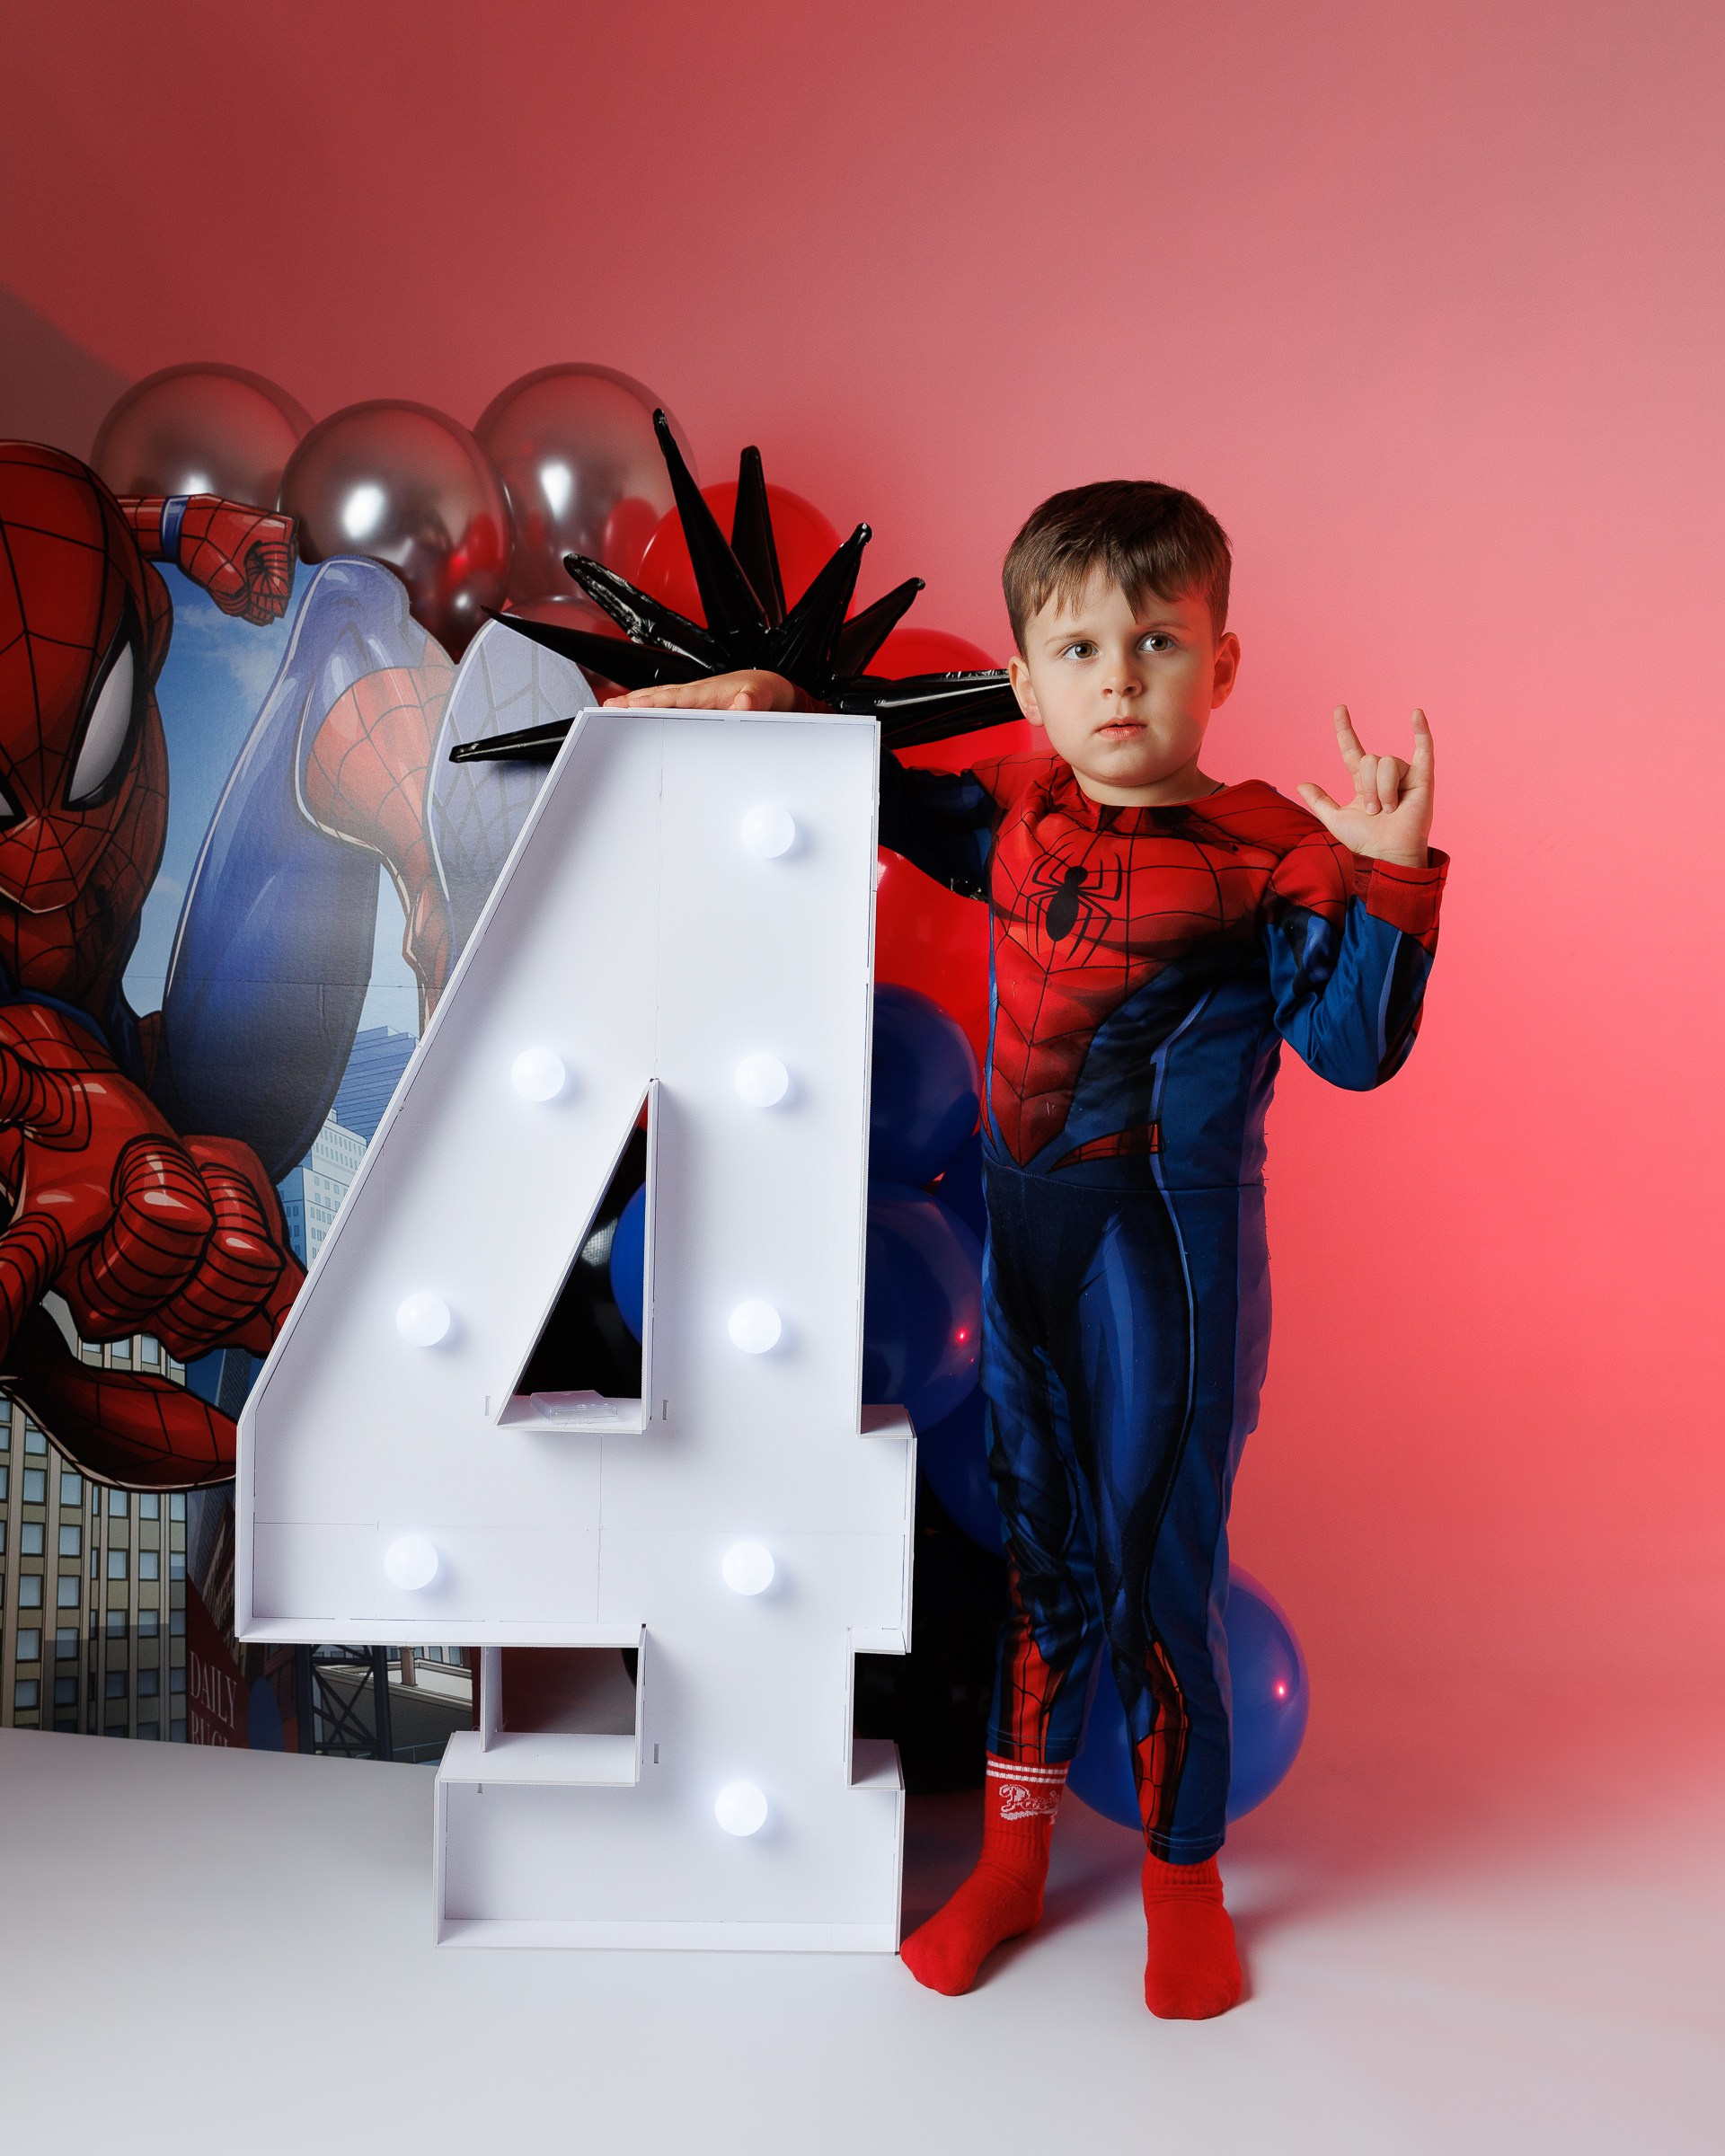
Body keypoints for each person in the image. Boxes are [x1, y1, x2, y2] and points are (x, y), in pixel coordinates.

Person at [606, 478, 1446, 2018]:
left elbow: (1354, 1050)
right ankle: (1009, 1867)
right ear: (1023, 681)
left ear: (1222, 664)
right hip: (1029, 1259)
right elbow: (855, 785)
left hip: (1173, 1273)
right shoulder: (1013, 812)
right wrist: (775, 707)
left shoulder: (1277, 851)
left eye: (1157, 641)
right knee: (1038, 1569)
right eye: (1079, 650)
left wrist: (1391, 873)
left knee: (1158, 1581)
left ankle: (1183, 1891)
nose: (1119, 679)